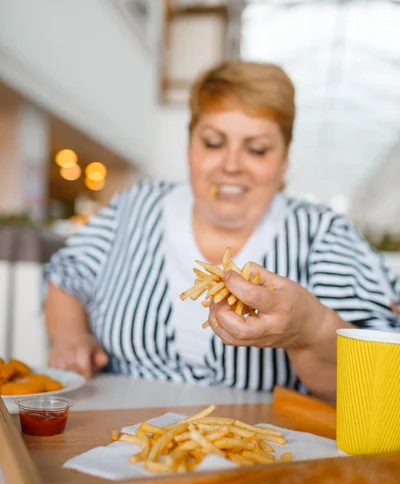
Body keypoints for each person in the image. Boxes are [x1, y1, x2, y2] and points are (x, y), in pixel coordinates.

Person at [44, 61, 399, 403]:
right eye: (213, 143)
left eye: (257, 149)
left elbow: (377, 377)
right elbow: (68, 276)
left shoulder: (322, 232)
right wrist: (71, 337)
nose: (231, 166)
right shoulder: (136, 205)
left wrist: (311, 328)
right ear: (190, 147)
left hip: (265, 452)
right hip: (117, 441)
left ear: (285, 160)